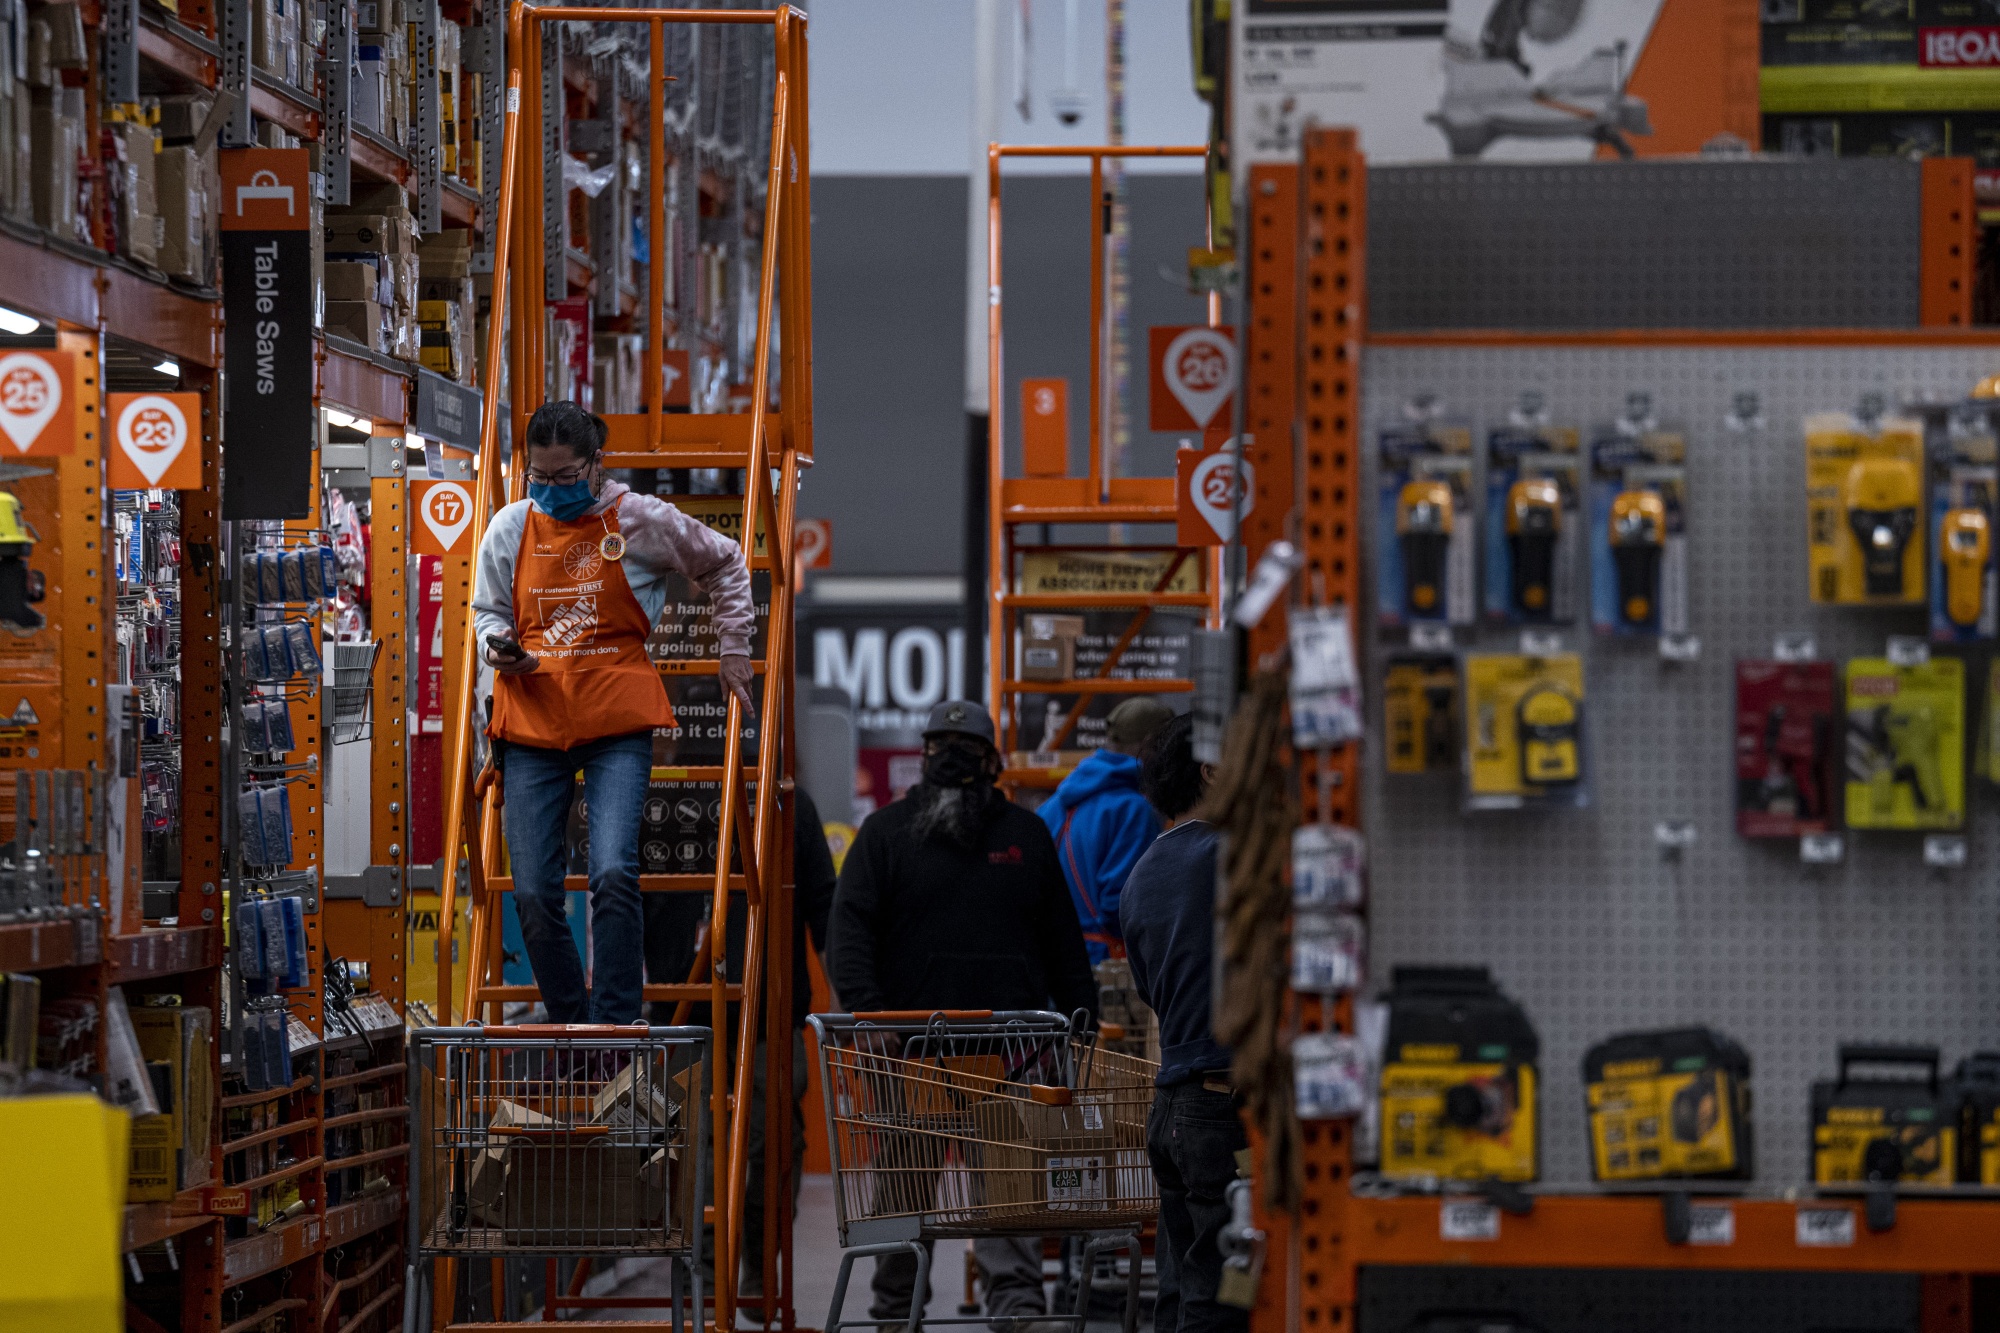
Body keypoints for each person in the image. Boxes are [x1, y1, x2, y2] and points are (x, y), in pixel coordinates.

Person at [474, 400, 755, 1025]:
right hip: (531, 722)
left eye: (566, 477)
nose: (551, 491)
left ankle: (618, 1026)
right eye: (538, 478)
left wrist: (733, 649)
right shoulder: (510, 527)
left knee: (611, 872)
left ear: (597, 465)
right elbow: (488, 611)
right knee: (535, 893)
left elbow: (727, 562)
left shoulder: (641, 520)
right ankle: (577, 1026)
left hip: (616, 724)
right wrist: (497, 650)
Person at [826, 699, 1098, 1333]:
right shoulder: (885, 835)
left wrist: (1082, 1017)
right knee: (904, 1193)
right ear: (921, 757)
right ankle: (896, 1316)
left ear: (992, 761)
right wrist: (868, 1012)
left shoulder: (1026, 838)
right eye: (937, 743)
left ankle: (1018, 1311)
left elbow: (1061, 938)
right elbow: (850, 931)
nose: (950, 756)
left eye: (965, 746)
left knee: (1008, 1191)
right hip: (913, 1052)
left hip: (1010, 1052)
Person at [642, 783, 837, 1317]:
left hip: (769, 1008)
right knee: (689, 1141)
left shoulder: (786, 801)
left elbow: (823, 903)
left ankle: (756, 1256)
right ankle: (702, 1268)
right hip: (683, 1006)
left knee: (773, 1140)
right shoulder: (658, 793)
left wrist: (849, 1003)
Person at [1118, 711, 1242, 1333]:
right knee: (1218, 1295)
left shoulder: (1143, 873)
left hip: (1172, 1103)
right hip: (1221, 1101)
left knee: (1180, 1282)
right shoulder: (1229, 856)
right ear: (1213, 768)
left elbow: (1149, 989)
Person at [1035, 696, 1172, 963]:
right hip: (1105, 967)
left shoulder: (1052, 806)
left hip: (1051, 964)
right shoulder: (1133, 811)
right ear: (1151, 744)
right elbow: (1121, 908)